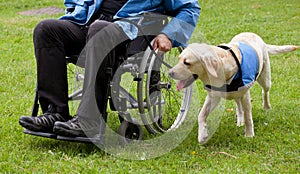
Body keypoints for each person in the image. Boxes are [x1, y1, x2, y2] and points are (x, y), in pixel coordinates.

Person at [19, 0, 201, 138]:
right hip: (89, 24)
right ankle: (54, 113)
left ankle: (89, 120)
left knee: (99, 29)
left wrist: (167, 34)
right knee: (46, 29)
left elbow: (190, 8)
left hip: (131, 33)